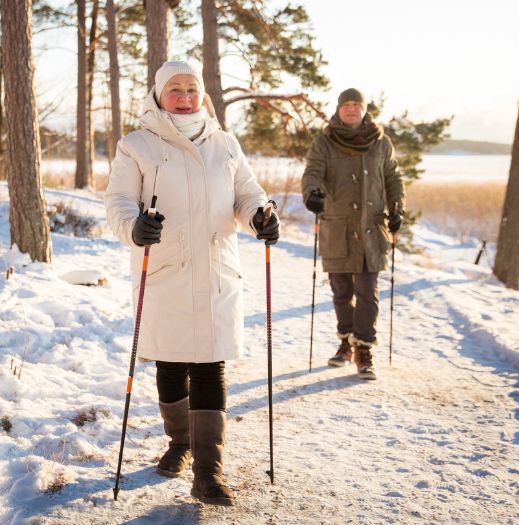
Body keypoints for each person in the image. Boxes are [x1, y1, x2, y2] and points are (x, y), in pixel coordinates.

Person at [104, 60, 278, 506]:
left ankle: (208, 471)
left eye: (192, 88)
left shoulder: (225, 144)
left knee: (209, 365)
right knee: (170, 364)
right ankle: (179, 442)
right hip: (164, 270)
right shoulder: (136, 145)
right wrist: (134, 227)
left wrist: (260, 216)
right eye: (175, 89)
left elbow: (247, 194)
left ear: (203, 94)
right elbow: (119, 202)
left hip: (218, 270)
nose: (184, 96)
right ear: (159, 95)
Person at [300, 88, 405, 381]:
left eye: (355, 105)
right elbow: (312, 172)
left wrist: (397, 208)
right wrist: (313, 194)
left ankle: (364, 349)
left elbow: (394, 177)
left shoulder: (380, 143)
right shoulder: (324, 142)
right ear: (338, 109)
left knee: (367, 293)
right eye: (345, 105)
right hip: (338, 228)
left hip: (371, 229)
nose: (350, 109)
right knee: (342, 292)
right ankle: (345, 342)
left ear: (364, 109)